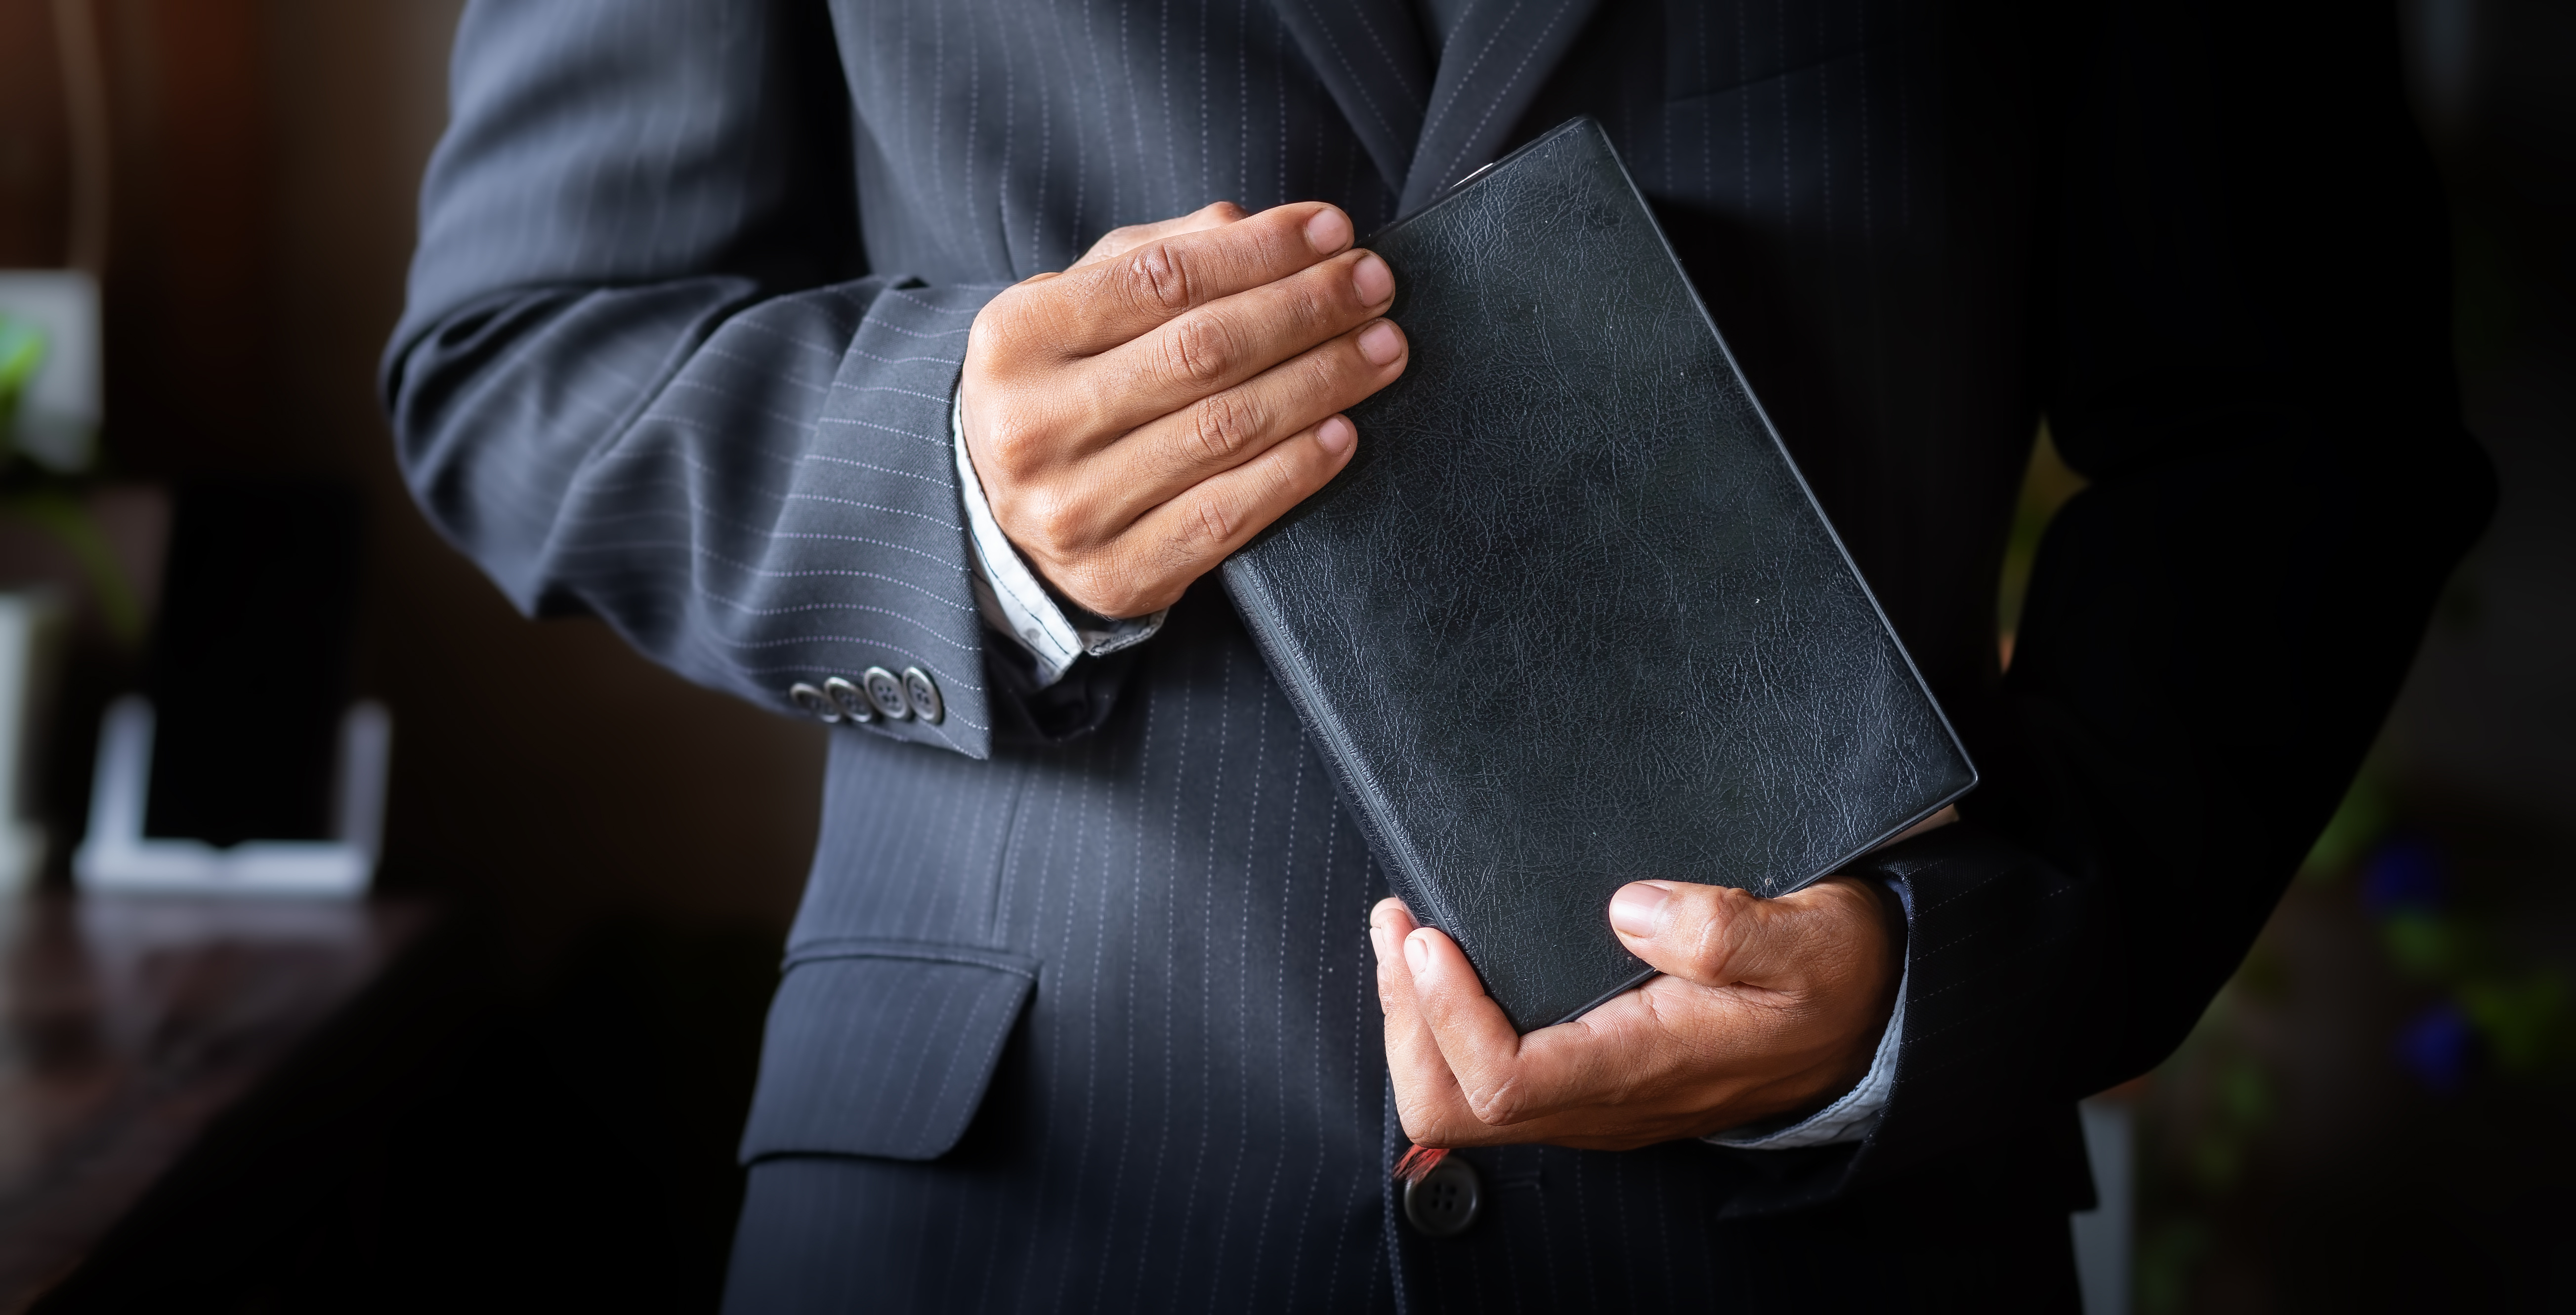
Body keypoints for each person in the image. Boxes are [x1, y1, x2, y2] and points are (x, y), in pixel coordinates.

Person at [385, 0, 2492, 1308]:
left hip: (1818, 1247)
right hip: (1009, 1213)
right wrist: (941, 468)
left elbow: (2305, 433)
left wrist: (1945, 973)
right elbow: (519, 363)